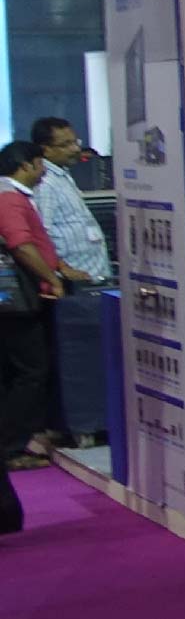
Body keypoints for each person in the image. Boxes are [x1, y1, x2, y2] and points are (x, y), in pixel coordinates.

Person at [29, 118, 110, 446]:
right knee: (75, 362)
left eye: (75, 141)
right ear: (45, 150)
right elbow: (42, 233)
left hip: (90, 282)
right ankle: (75, 424)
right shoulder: (46, 183)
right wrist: (60, 270)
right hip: (71, 288)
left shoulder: (63, 177)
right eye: (65, 144)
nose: (75, 149)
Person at [0, 141, 64, 501]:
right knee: (31, 372)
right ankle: (10, 447)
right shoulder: (9, 197)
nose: (43, 171)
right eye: (41, 164)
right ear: (27, 165)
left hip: (15, 302)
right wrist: (52, 279)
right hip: (17, 303)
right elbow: (21, 244)